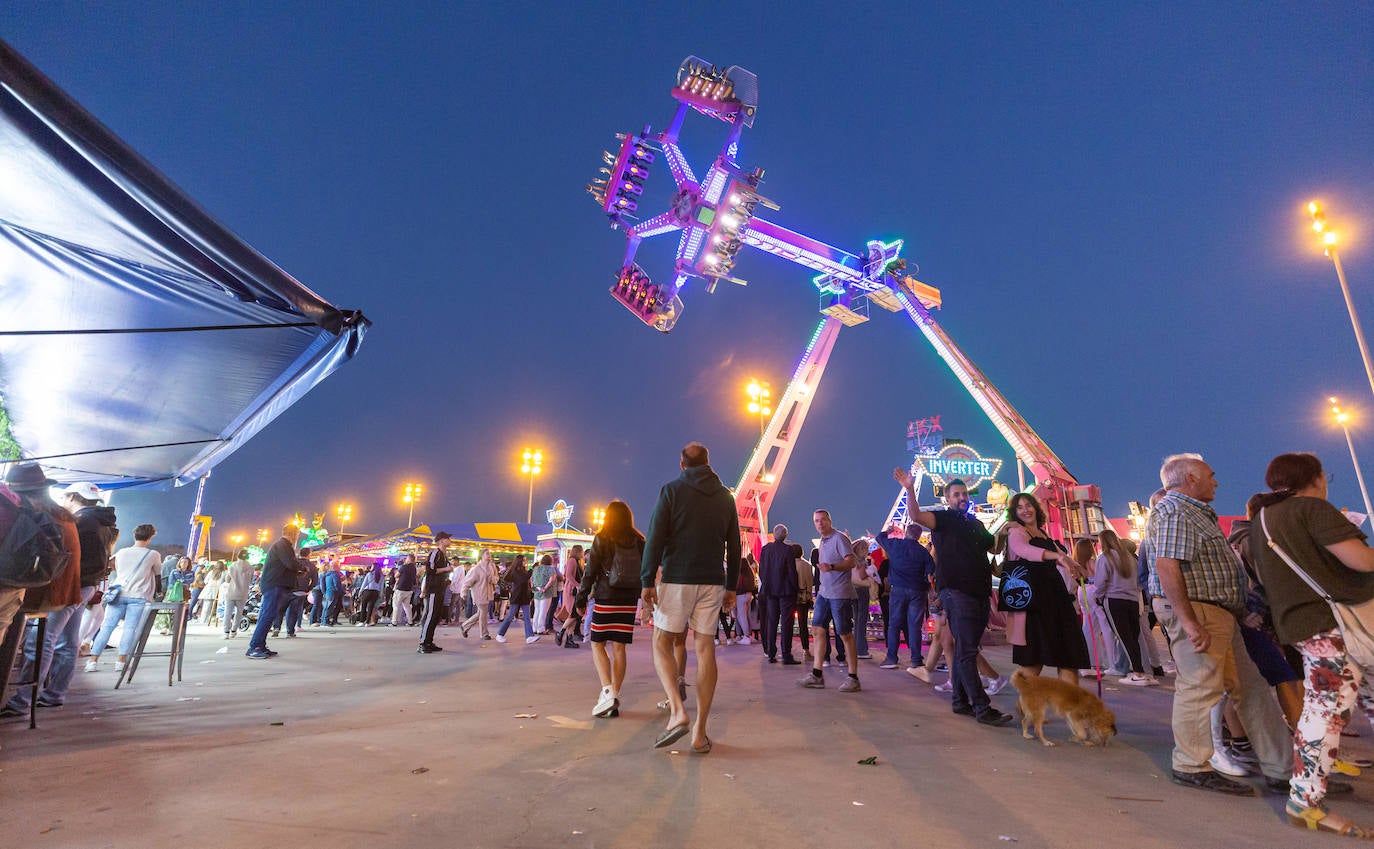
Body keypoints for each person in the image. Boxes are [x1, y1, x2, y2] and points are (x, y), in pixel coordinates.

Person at [1146, 453, 1293, 795]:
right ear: (1191, 479)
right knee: (1200, 687)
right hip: (1200, 612)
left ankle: (1282, 768)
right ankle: (1191, 764)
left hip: (1219, 613)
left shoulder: (1196, 513)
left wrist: (1240, 611)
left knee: (1251, 687)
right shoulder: (1175, 510)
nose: (1217, 481)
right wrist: (1189, 621)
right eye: (1210, 475)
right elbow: (1168, 566)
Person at [1249, 452, 1374, 836]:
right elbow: (1362, 561)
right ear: (1314, 479)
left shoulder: (1263, 520)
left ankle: (1307, 796)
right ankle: (1305, 801)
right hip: (1334, 625)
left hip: (1304, 624)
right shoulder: (1312, 510)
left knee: (1331, 707)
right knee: (1326, 711)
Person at [642, 442, 740, 754]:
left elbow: (655, 536)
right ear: (709, 463)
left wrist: (647, 580)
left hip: (678, 577)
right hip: (712, 581)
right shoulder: (726, 497)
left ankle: (678, 711)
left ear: (682, 464)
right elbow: (734, 545)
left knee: (662, 643)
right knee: (705, 648)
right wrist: (732, 587)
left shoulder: (671, 491)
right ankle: (700, 733)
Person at [897, 468, 1014, 727]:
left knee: (964, 648)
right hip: (956, 592)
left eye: (964, 494)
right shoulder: (943, 519)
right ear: (948, 499)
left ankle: (960, 701)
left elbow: (992, 547)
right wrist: (909, 487)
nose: (961, 498)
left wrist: (1006, 530)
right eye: (956, 494)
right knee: (968, 650)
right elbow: (915, 515)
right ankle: (982, 707)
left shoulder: (976, 524)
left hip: (980, 591)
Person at [21, 482, 115, 708]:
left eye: (65, 497)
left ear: (73, 497)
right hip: (86, 585)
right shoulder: (103, 522)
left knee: (42, 639)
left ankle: (22, 700)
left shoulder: (82, 521)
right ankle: (55, 694)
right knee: (68, 641)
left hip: (73, 584)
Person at [0, 463, 81, 714]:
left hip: (39, 595)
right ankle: (27, 696)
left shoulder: (20, 510)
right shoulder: (59, 515)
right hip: (51, 593)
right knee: (55, 643)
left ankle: (21, 700)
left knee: (40, 643)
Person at [997, 492, 1090, 685]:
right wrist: (1056, 557)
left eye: (1028, 505)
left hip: (1056, 598)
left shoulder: (1043, 532)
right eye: (1020, 507)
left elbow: (1061, 555)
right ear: (1014, 512)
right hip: (1034, 602)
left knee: (1068, 657)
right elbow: (1025, 551)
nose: (1025, 510)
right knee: (1033, 662)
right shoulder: (1017, 531)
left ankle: (1072, 709)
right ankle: (1028, 710)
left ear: (1036, 508)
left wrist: (1074, 566)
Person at [574, 500, 644, 717]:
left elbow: (590, 571)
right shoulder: (639, 540)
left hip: (606, 597)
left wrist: (581, 598)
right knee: (620, 648)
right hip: (629, 600)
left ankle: (607, 691)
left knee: (597, 644)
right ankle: (614, 694)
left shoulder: (602, 538)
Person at [799, 510, 861, 692]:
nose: (820, 524)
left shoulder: (839, 539)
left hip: (839, 594)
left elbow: (851, 562)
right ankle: (817, 675)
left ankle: (853, 677)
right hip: (824, 594)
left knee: (845, 634)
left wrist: (832, 567)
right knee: (818, 630)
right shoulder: (823, 542)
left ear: (829, 521)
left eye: (823, 520)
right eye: (816, 521)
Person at [85, 523, 161, 672]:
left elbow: (111, 567)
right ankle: (121, 662)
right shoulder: (153, 555)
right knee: (129, 629)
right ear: (150, 537)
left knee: (106, 627)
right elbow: (158, 576)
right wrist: (159, 593)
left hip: (118, 594)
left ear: (135, 536)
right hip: (139, 596)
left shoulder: (121, 552)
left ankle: (92, 662)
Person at [1095, 529, 1156, 685]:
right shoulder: (1130, 558)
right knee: (1133, 636)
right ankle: (1141, 669)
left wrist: (1098, 597)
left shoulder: (1105, 558)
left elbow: (1101, 582)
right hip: (1132, 600)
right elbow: (1140, 581)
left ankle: (1137, 671)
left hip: (1114, 600)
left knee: (1124, 637)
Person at [876, 519, 934, 672]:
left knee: (894, 624)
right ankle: (916, 659)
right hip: (918, 591)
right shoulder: (923, 552)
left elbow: (879, 538)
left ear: (907, 533)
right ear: (919, 536)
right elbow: (930, 573)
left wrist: (888, 531)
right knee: (914, 626)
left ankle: (891, 658)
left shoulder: (896, 545)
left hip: (898, 590)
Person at [246, 524, 301, 659]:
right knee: (267, 615)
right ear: (293, 534)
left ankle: (260, 645)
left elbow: (286, 566)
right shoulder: (283, 545)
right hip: (274, 585)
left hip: (276, 585)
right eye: (297, 535)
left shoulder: (282, 546)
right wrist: (302, 568)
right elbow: (290, 563)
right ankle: (254, 647)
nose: (297, 538)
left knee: (269, 615)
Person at [757, 524, 800, 664]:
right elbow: (792, 572)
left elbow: (761, 571)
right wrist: (795, 588)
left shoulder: (765, 549)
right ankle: (786, 655)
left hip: (770, 591)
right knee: (786, 623)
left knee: (772, 622)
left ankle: (770, 653)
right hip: (786, 591)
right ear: (785, 535)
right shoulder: (788, 550)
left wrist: (767, 583)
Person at [418, 531, 455, 653]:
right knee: (430, 615)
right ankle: (423, 643)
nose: (450, 540)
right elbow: (430, 570)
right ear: (441, 541)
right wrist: (447, 569)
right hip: (433, 589)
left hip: (440, 589)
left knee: (435, 616)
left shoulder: (444, 555)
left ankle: (429, 641)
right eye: (448, 538)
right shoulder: (435, 553)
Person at [495, 554, 537, 644]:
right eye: (524, 560)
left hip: (524, 597)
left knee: (527, 617)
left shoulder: (523, 571)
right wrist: (531, 571)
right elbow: (522, 580)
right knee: (510, 616)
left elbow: (525, 582)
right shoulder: (516, 572)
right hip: (517, 597)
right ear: (519, 561)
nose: (526, 562)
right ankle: (500, 634)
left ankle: (529, 636)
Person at [460, 549, 498, 640]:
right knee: (483, 613)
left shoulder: (492, 566)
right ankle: (484, 634)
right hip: (479, 593)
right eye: (487, 553)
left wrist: (493, 579)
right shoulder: (476, 568)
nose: (489, 555)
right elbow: (467, 582)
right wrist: (464, 592)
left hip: (488, 593)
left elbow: (496, 578)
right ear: (482, 555)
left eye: (490, 553)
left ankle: (465, 626)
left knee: (480, 613)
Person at [851, 538, 876, 660]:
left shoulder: (850, 560)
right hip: (862, 591)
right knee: (861, 622)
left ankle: (855, 648)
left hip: (852, 591)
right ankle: (861, 650)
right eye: (866, 548)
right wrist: (871, 570)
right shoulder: (861, 561)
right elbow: (862, 575)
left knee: (856, 621)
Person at [221, 549, 254, 638]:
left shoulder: (232, 566)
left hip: (231, 592)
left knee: (227, 612)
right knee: (239, 613)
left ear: (237, 556)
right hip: (243, 593)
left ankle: (226, 632)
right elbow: (250, 580)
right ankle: (234, 630)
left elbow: (227, 579)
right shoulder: (251, 567)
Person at [793, 542, 813, 659]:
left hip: (791, 598)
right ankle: (806, 650)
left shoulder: (789, 564)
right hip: (804, 599)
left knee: (787, 624)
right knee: (803, 625)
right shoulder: (807, 565)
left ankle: (787, 650)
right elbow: (810, 583)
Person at [531, 555, 558, 635]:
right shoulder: (551, 569)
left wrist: (534, 586)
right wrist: (545, 588)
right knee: (543, 611)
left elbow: (531, 579)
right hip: (546, 592)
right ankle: (541, 629)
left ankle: (534, 628)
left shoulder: (536, 568)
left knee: (537, 610)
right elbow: (552, 579)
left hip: (536, 591)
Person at [392, 553, 416, 627]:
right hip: (409, 589)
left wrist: (396, 573)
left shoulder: (404, 567)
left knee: (396, 605)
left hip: (401, 588)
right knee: (407, 606)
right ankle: (410, 621)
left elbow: (396, 575)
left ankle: (394, 622)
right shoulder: (414, 568)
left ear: (409, 559)